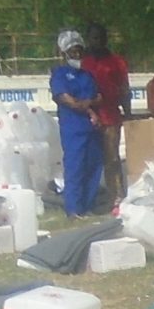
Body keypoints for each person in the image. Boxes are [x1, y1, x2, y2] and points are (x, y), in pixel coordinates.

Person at [47, 28, 106, 218]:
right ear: (64, 53)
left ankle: (87, 206)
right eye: (73, 51)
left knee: (93, 167)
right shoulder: (60, 74)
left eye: (79, 50)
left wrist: (89, 104)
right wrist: (87, 107)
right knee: (75, 168)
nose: (77, 54)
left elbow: (98, 97)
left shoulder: (87, 75)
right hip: (74, 129)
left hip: (92, 129)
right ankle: (73, 210)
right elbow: (66, 98)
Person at [81, 23, 131, 208]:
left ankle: (117, 196)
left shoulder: (116, 62)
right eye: (94, 37)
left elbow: (125, 88)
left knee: (112, 157)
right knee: (90, 159)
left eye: (101, 37)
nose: (98, 41)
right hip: (88, 116)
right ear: (89, 39)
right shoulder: (83, 62)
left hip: (110, 116)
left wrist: (128, 112)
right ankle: (90, 197)